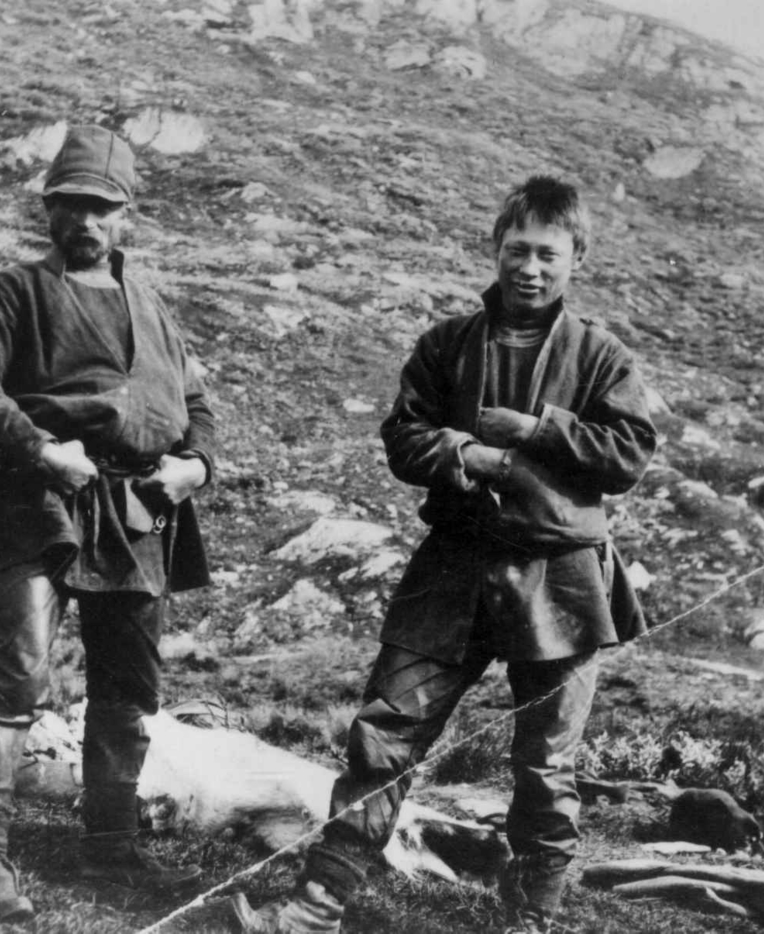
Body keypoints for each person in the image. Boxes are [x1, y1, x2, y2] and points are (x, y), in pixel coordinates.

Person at [229, 176, 657, 934]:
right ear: (495, 249)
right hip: (454, 564)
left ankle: (530, 920)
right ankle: (316, 906)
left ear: (576, 259)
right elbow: (404, 436)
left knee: (547, 766)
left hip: (561, 576)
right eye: (516, 250)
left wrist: (534, 432)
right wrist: (472, 455)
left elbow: (626, 456)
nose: (529, 267)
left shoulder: (603, 357)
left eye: (547, 254)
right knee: (385, 732)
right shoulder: (445, 345)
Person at [0, 125, 216, 921]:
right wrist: (40, 448)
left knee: (128, 683)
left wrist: (195, 464)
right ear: (50, 208)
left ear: (125, 214)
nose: (86, 222)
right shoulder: (16, 292)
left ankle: (110, 848)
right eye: (72, 206)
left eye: (102, 208)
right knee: (20, 669)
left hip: (137, 511)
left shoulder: (154, 308)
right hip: (41, 502)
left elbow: (196, 404)